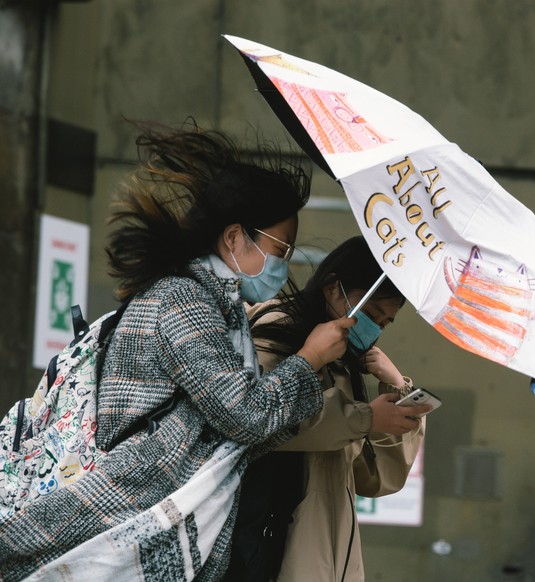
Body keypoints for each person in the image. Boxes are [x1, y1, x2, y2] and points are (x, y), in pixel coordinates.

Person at [0, 120, 353, 580]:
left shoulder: (217, 308)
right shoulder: (184, 302)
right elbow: (244, 415)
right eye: (280, 246)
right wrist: (309, 359)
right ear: (234, 238)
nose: (283, 264)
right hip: (123, 519)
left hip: (146, 529)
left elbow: (238, 437)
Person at [229, 236, 430, 582]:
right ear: (333, 288)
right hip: (273, 554)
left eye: (383, 324)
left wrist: (397, 390)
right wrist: (364, 419)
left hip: (328, 556)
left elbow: (376, 478)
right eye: (370, 314)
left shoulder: (344, 364)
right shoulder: (276, 330)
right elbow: (260, 416)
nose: (374, 330)